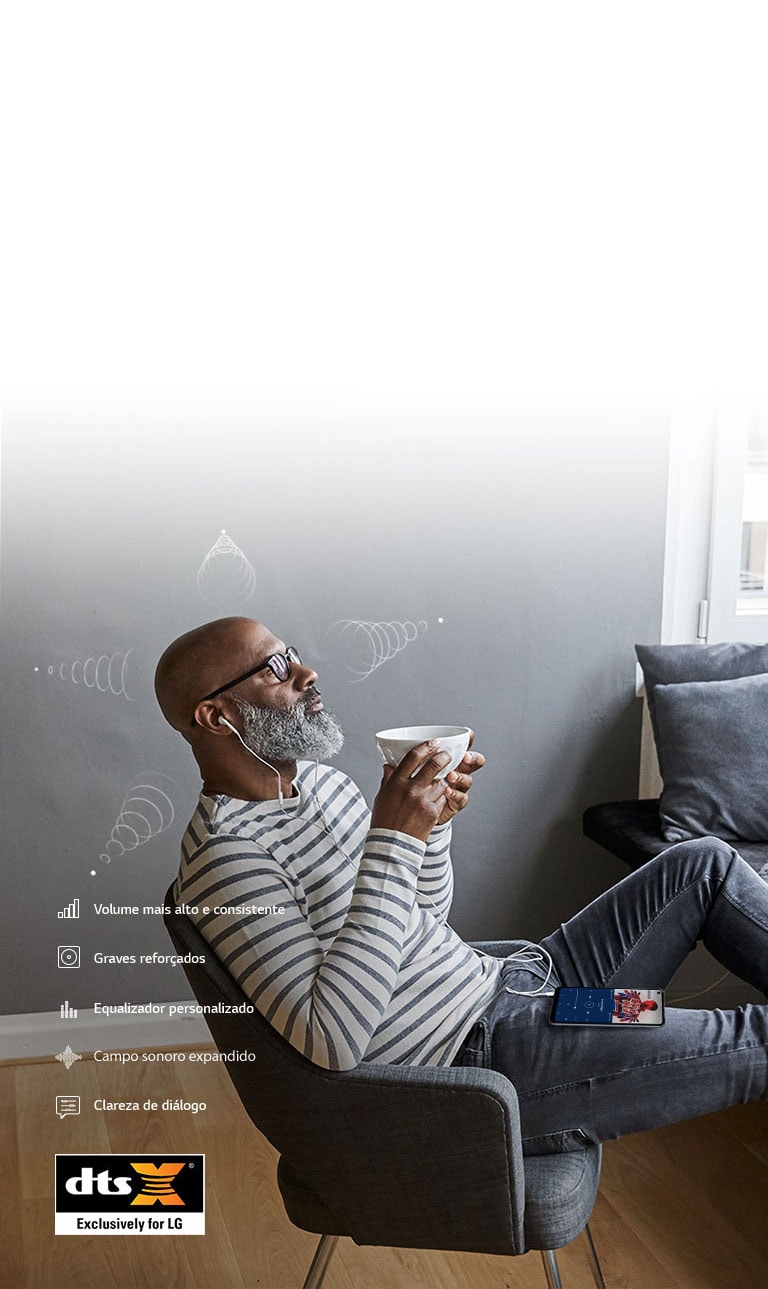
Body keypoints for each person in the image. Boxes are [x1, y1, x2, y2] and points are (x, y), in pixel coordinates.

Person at [155, 615, 768, 1156]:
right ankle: (619, 1045)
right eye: (275, 668)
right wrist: (396, 840)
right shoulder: (226, 861)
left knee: (703, 864)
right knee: (749, 1037)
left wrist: (432, 827)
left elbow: (424, 917)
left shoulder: (322, 784)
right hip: (487, 1061)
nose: (307, 673)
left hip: (533, 991)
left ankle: (619, 1024)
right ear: (216, 715)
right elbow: (332, 1040)